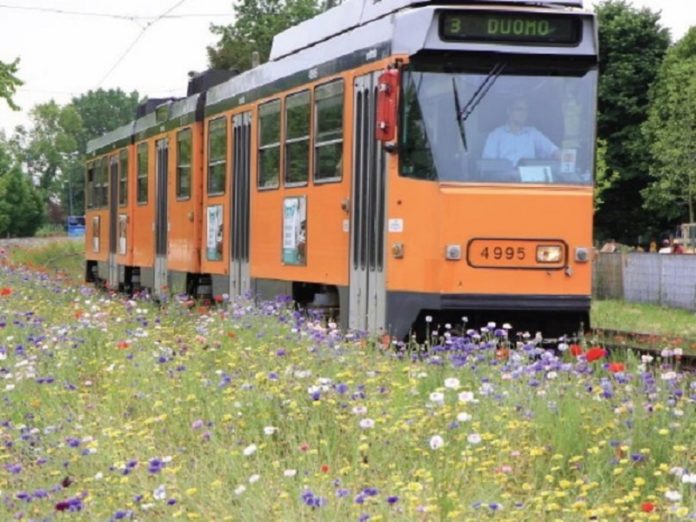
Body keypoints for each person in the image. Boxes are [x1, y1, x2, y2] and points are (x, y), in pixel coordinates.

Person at [482, 97, 560, 167]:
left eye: (526, 110)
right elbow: (488, 165)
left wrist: (565, 157)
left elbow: (553, 150)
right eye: (519, 109)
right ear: (509, 111)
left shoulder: (533, 133)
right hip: (505, 180)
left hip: (529, 179)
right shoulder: (495, 135)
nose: (523, 113)